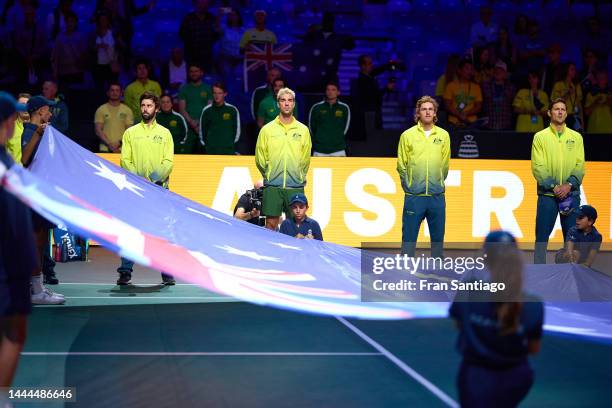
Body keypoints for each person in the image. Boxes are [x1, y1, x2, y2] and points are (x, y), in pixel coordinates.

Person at [449, 230, 543, 408]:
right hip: (516, 378)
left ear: (485, 257)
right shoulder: (534, 304)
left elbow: (459, 324)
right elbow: (534, 348)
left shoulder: (469, 292)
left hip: (477, 377)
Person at [0, 92, 38, 393]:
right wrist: (29, 269)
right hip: (7, 267)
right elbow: (18, 226)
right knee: (14, 332)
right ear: (11, 123)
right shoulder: (8, 172)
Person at [117, 91, 175, 285]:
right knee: (131, 229)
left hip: (159, 189)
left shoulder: (165, 133)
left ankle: (167, 270)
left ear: (156, 108)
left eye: (149, 106)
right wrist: (140, 180)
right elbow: (125, 159)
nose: (145, 109)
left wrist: (155, 179)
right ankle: (125, 270)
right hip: (136, 189)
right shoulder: (130, 133)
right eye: (143, 106)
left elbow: (168, 161)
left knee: (161, 230)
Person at [531, 98, 585, 264]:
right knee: (541, 237)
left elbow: (579, 165)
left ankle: (568, 273)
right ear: (549, 113)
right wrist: (555, 187)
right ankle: (539, 272)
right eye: (556, 109)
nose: (560, 112)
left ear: (566, 113)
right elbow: (538, 167)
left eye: (563, 109)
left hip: (571, 194)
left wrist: (568, 185)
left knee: (571, 238)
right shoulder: (540, 137)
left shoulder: (576, 137)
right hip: (548, 195)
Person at [20, 95, 64, 298]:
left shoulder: (44, 131)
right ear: (39, 111)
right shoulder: (31, 129)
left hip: (44, 193)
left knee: (42, 242)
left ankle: (37, 287)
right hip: (34, 195)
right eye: (48, 109)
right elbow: (25, 158)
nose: (50, 113)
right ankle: (34, 289)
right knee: (37, 242)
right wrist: (37, 133)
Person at [397, 95, 450, 258]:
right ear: (418, 113)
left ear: (435, 113)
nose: (427, 112)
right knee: (408, 242)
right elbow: (401, 165)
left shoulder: (443, 135)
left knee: (437, 244)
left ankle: (437, 277)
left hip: (436, 197)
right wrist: (410, 187)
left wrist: (437, 182)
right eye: (424, 109)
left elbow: (445, 165)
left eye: (430, 109)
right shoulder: (407, 135)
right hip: (414, 197)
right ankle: (404, 276)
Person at [255, 87, 311, 231]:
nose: (286, 103)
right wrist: (269, 173)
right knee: (271, 225)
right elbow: (260, 157)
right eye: (283, 100)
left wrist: (299, 175)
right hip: (273, 186)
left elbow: (305, 158)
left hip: (295, 186)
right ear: (278, 104)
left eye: (290, 100)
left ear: (294, 104)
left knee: (296, 227)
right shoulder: (267, 129)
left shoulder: (303, 130)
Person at [350, 54, 395, 139]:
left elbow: (379, 70)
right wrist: (386, 88)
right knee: (374, 139)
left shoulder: (369, 76)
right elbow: (373, 96)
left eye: (371, 63)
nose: (372, 65)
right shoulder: (362, 80)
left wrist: (388, 64)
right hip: (369, 115)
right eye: (369, 63)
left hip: (374, 112)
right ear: (363, 66)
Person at [308, 80, 350, 156]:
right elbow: (311, 128)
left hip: (338, 149)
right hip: (319, 150)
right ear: (325, 91)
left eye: (333, 90)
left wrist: (337, 138)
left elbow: (346, 128)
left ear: (338, 92)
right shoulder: (316, 107)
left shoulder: (344, 108)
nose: (330, 92)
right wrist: (319, 138)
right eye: (328, 89)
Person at [178, 64, 212, 153]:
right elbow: (182, 109)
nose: (194, 73)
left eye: (196, 71)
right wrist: (192, 123)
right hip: (188, 128)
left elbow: (209, 109)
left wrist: (200, 123)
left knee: (205, 155)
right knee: (186, 156)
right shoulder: (184, 89)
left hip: (204, 127)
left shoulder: (208, 88)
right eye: (191, 71)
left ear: (201, 73)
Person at [199, 82, 240, 155]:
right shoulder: (206, 110)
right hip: (210, 151)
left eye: (220, 93)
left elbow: (237, 130)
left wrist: (229, 144)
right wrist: (207, 146)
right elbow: (202, 131)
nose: (217, 96)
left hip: (228, 150)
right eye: (215, 93)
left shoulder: (232, 110)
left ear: (225, 94)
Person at [179, 0, 220, 73]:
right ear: (196, 4)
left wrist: (217, 26)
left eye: (206, 3)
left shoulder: (212, 18)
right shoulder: (188, 18)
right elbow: (182, 35)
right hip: (191, 56)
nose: (204, 5)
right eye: (201, 3)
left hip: (207, 56)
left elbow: (216, 36)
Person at [94, 82, 133, 153]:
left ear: (121, 93)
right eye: (112, 90)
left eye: (117, 90)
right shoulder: (101, 109)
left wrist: (119, 143)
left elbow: (129, 131)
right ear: (108, 93)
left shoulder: (127, 110)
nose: (114, 93)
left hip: (122, 149)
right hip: (104, 149)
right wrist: (109, 144)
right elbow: (98, 131)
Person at [443, 59, 482, 128]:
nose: (469, 71)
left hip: (472, 123)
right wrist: (459, 115)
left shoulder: (476, 87)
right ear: (459, 70)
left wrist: (467, 113)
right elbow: (447, 105)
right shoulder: (450, 86)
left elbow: (478, 106)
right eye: (467, 68)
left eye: (471, 69)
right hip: (454, 122)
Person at [124, 59, 162, 123]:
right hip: (136, 121)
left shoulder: (156, 85)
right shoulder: (129, 88)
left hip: (153, 120)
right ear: (136, 71)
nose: (142, 71)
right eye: (139, 68)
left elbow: (159, 104)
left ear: (148, 70)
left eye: (144, 68)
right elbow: (127, 108)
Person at [481, 60, 516, 130]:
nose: (498, 72)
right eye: (496, 70)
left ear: (506, 73)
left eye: (501, 70)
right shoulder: (485, 86)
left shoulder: (511, 87)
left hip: (505, 124)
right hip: (489, 125)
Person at [551, 62, 583, 132]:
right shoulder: (558, 85)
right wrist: (567, 94)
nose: (574, 71)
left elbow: (579, 105)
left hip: (574, 117)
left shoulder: (577, 86)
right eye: (572, 69)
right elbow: (555, 103)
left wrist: (582, 123)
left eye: (575, 69)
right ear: (566, 71)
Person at [584, 70, 612, 134]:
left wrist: (609, 102)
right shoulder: (591, 94)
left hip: (609, 129)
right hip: (594, 129)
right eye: (599, 78)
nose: (601, 80)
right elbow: (586, 112)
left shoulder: (610, 94)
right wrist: (595, 103)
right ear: (596, 80)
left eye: (603, 78)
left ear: (607, 80)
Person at [6, 93, 30, 164]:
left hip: (34, 173)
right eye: (22, 104)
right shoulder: (9, 128)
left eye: (28, 104)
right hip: (15, 172)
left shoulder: (39, 129)